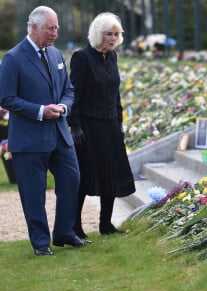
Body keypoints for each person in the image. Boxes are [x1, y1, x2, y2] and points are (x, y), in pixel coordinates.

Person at [0, 6, 87, 256]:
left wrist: (62, 106)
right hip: (29, 139)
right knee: (33, 194)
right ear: (34, 27)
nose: (55, 32)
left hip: (60, 134)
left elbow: (69, 91)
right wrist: (40, 111)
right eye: (51, 28)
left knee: (72, 180)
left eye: (56, 27)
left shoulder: (57, 55)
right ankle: (40, 243)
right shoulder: (13, 58)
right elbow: (6, 98)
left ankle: (64, 233)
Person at [68, 12, 136, 238]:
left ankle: (105, 224)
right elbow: (74, 95)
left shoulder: (113, 57)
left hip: (110, 126)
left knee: (111, 175)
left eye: (116, 34)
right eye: (109, 34)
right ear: (98, 34)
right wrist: (75, 126)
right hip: (88, 127)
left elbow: (115, 93)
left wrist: (120, 121)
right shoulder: (82, 58)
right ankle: (75, 227)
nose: (113, 38)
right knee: (85, 177)